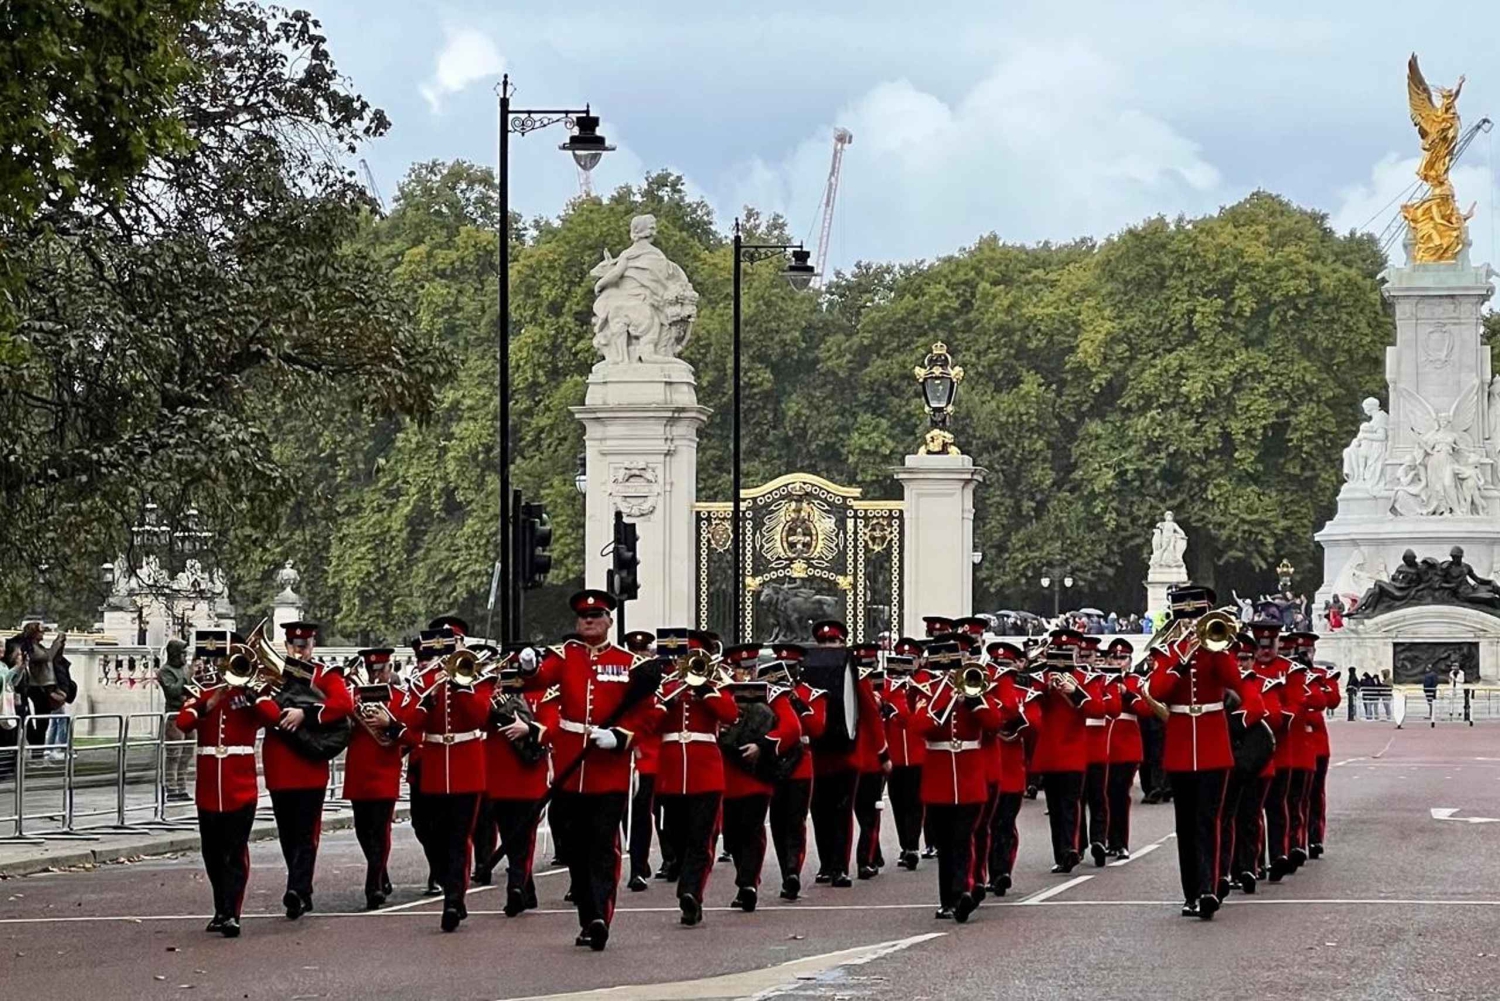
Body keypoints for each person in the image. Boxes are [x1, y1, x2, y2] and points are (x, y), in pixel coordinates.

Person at [519, 590, 655, 952]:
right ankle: (587, 915)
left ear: (609, 620)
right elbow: (537, 682)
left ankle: (599, 918)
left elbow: (650, 712)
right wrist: (528, 666)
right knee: (576, 849)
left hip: (609, 769)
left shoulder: (628, 663)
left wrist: (622, 736)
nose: (589, 621)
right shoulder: (565, 656)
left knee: (603, 846)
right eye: (583, 617)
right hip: (571, 767)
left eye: (596, 616)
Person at [1147, 585, 1261, 919]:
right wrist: (1181, 659)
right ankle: (1191, 893)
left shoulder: (1217, 651)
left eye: (1196, 616)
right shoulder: (1166, 652)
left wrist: (1216, 649)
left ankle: (1210, 888)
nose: (1190, 623)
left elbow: (1236, 683)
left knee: (1208, 820)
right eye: (1185, 618)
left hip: (1213, 744)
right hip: (1181, 745)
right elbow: (1159, 691)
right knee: (1185, 824)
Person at [176, 631, 280, 938]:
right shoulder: (205, 694)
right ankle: (220, 909)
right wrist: (209, 702)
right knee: (212, 853)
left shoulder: (252, 696)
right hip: (209, 789)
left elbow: (273, 716)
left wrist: (253, 692)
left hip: (240, 787)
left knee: (235, 852)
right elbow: (183, 722)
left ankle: (233, 912)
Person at [262, 621, 354, 921]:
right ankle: (302, 888)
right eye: (294, 646)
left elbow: (343, 704)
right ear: (287, 646)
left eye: (304, 646)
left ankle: (297, 889)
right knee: (287, 834)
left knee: (305, 833)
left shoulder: (324, 675)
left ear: (312, 645)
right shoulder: (273, 675)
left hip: (309, 767)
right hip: (280, 765)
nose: (299, 651)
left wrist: (306, 714)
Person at [648, 628, 737, 927]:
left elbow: (729, 713)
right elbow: (650, 723)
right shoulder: (666, 685)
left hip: (705, 772)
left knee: (701, 838)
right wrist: (665, 703)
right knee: (677, 836)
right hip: (671, 771)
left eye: (694, 656)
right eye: (684, 656)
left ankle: (691, 893)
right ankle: (685, 882)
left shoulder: (716, 684)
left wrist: (703, 689)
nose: (687, 661)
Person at [917, 640, 1004, 922]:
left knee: (963, 837)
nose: (950, 670)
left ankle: (964, 891)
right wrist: (944, 698)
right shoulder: (926, 691)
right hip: (938, 776)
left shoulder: (977, 689)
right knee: (945, 842)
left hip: (969, 775)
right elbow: (919, 726)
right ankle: (948, 900)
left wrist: (974, 700)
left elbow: (994, 724)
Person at [411, 619, 490, 932]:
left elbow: (479, 717)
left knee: (459, 837)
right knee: (432, 834)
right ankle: (448, 881)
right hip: (433, 766)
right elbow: (409, 722)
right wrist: (425, 702)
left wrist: (461, 686)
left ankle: (454, 900)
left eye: (454, 643)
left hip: (466, 766)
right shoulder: (423, 678)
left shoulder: (477, 675)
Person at [719, 644, 800, 913]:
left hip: (756, 775)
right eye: (739, 668)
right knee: (732, 834)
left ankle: (748, 884)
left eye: (749, 668)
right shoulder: (721, 691)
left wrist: (762, 746)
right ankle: (745, 878)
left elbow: (791, 727)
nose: (745, 673)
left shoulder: (770, 691)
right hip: (726, 775)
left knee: (752, 828)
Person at [342, 647, 421, 911]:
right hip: (358, 771)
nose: (377, 675)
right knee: (363, 830)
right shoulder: (354, 696)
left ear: (390, 668)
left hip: (385, 771)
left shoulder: (400, 698)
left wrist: (390, 724)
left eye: (382, 670)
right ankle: (381, 871)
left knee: (380, 828)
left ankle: (373, 883)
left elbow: (413, 736)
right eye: (371, 670)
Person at [1030, 629, 1105, 874]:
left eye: (1068, 651)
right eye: (1058, 651)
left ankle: (1072, 848)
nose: (1063, 655)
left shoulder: (1086, 678)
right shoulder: (1041, 677)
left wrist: (1075, 692)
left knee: (1071, 802)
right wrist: (1047, 688)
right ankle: (1062, 853)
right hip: (1050, 750)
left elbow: (1097, 709)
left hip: (1074, 749)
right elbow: (1031, 705)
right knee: (1055, 805)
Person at [767, 643, 825, 900]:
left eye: (790, 669)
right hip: (774, 761)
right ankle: (785, 869)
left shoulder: (812, 694)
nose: (787, 674)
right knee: (778, 822)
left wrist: (796, 701)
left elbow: (816, 727)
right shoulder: (767, 694)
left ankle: (793, 870)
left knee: (795, 821)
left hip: (800, 763)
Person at [809, 619, 860, 888]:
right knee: (819, 811)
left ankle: (840, 866)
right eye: (824, 642)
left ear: (843, 644)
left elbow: (866, 714)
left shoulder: (853, 671)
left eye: (834, 642)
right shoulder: (807, 673)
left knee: (841, 812)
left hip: (845, 757)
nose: (828, 646)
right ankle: (826, 864)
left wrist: (879, 753)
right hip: (818, 757)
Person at [620, 630, 659, 892]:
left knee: (641, 812)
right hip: (621, 752)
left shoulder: (656, 681)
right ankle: (637, 861)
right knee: (625, 812)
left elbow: (656, 717)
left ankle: (638, 867)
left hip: (647, 756)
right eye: (634, 653)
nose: (639, 657)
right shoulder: (621, 680)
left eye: (642, 653)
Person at [1102, 639, 1145, 860]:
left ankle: (1120, 842)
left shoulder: (1136, 681)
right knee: (1103, 794)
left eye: (1123, 658)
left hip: (1126, 746)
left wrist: (1127, 693)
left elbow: (1146, 709)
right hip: (1103, 745)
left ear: (1130, 661)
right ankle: (1105, 839)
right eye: (1114, 657)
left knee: (1120, 794)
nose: (1118, 662)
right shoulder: (1100, 680)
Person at [158, 638, 194, 802]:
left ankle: (182, 786)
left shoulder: (186, 668)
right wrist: (185, 679)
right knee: (174, 754)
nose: (185, 656)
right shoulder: (165, 671)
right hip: (174, 715)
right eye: (182, 653)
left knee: (187, 753)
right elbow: (172, 691)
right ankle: (171, 786)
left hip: (188, 713)